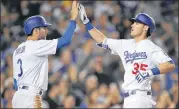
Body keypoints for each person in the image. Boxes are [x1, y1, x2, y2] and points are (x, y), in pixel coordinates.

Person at [78, 4, 175, 108]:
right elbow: (102, 39)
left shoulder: (151, 47)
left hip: (140, 97)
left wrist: (149, 72)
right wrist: (86, 22)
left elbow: (169, 64)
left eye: (137, 23)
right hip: (128, 98)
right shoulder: (125, 44)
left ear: (146, 27)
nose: (132, 25)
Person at [12, 1, 79, 108]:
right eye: (43, 28)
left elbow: (15, 82)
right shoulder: (36, 45)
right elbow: (65, 40)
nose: (46, 31)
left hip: (18, 97)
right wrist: (73, 18)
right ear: (36, 31)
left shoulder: (18, 49)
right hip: (31, 96)